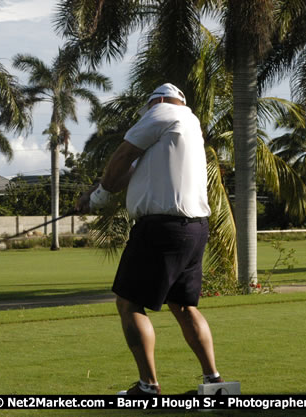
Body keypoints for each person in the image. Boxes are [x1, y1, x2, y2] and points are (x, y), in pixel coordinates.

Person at [76, 83, 222, 395]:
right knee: (183, 306)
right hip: (194, 228)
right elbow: (133, 172)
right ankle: (214, 383)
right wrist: (94, 195)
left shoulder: (161, 113)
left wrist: (98, 198)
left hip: (161, 229)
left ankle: (148, 386)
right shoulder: (189, 125)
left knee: (129, 303)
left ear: (154, 103)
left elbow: (122, 156)